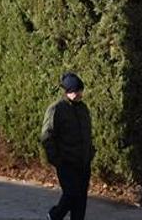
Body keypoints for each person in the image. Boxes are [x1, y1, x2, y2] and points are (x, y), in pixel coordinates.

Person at [40, 72, 95, 220]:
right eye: (74, 91)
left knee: (81, 199)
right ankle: (54, 215)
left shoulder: (83, 109)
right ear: (68, 91)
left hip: (83, 161)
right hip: (66, 161)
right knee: (71, 194)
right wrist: (56, 159)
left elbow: (87, 133)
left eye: (79, 90)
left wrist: (90, 152)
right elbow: (47, 135)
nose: (78, 94)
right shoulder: (57, 109)